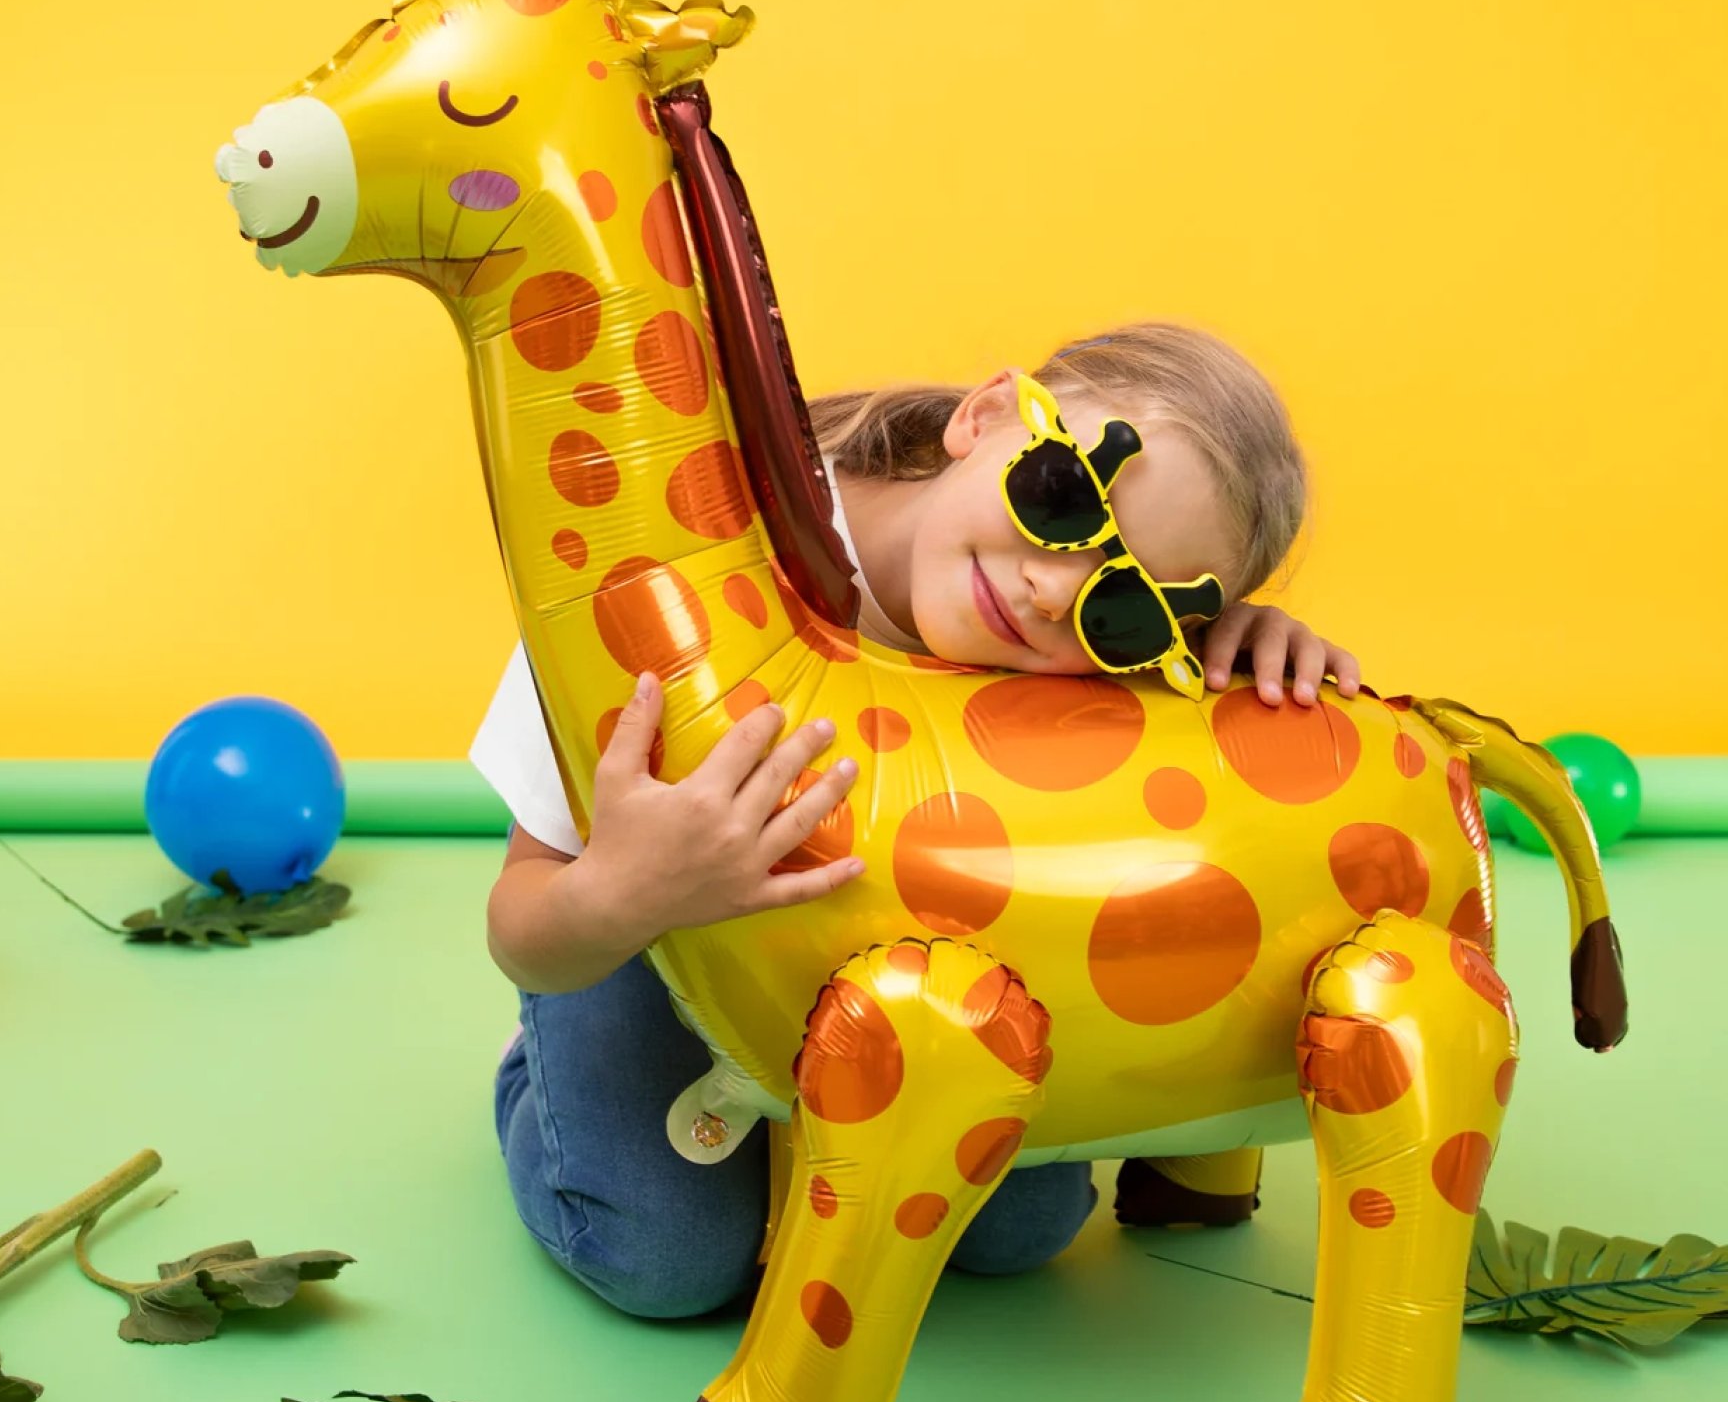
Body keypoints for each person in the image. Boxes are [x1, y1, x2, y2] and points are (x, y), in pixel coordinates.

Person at [477, 324, 1361, 1319]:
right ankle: (539, 1081)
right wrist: (627, 891)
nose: (1051, 592)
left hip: (897, 970)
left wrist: (1238, 663)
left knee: (1020, 1235)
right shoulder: (698, 569)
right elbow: (521, 921)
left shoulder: (1093, 663)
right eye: (1063, 500)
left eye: (1125, 604)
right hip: (643, 938)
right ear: (983, 416)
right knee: (666, 1261)